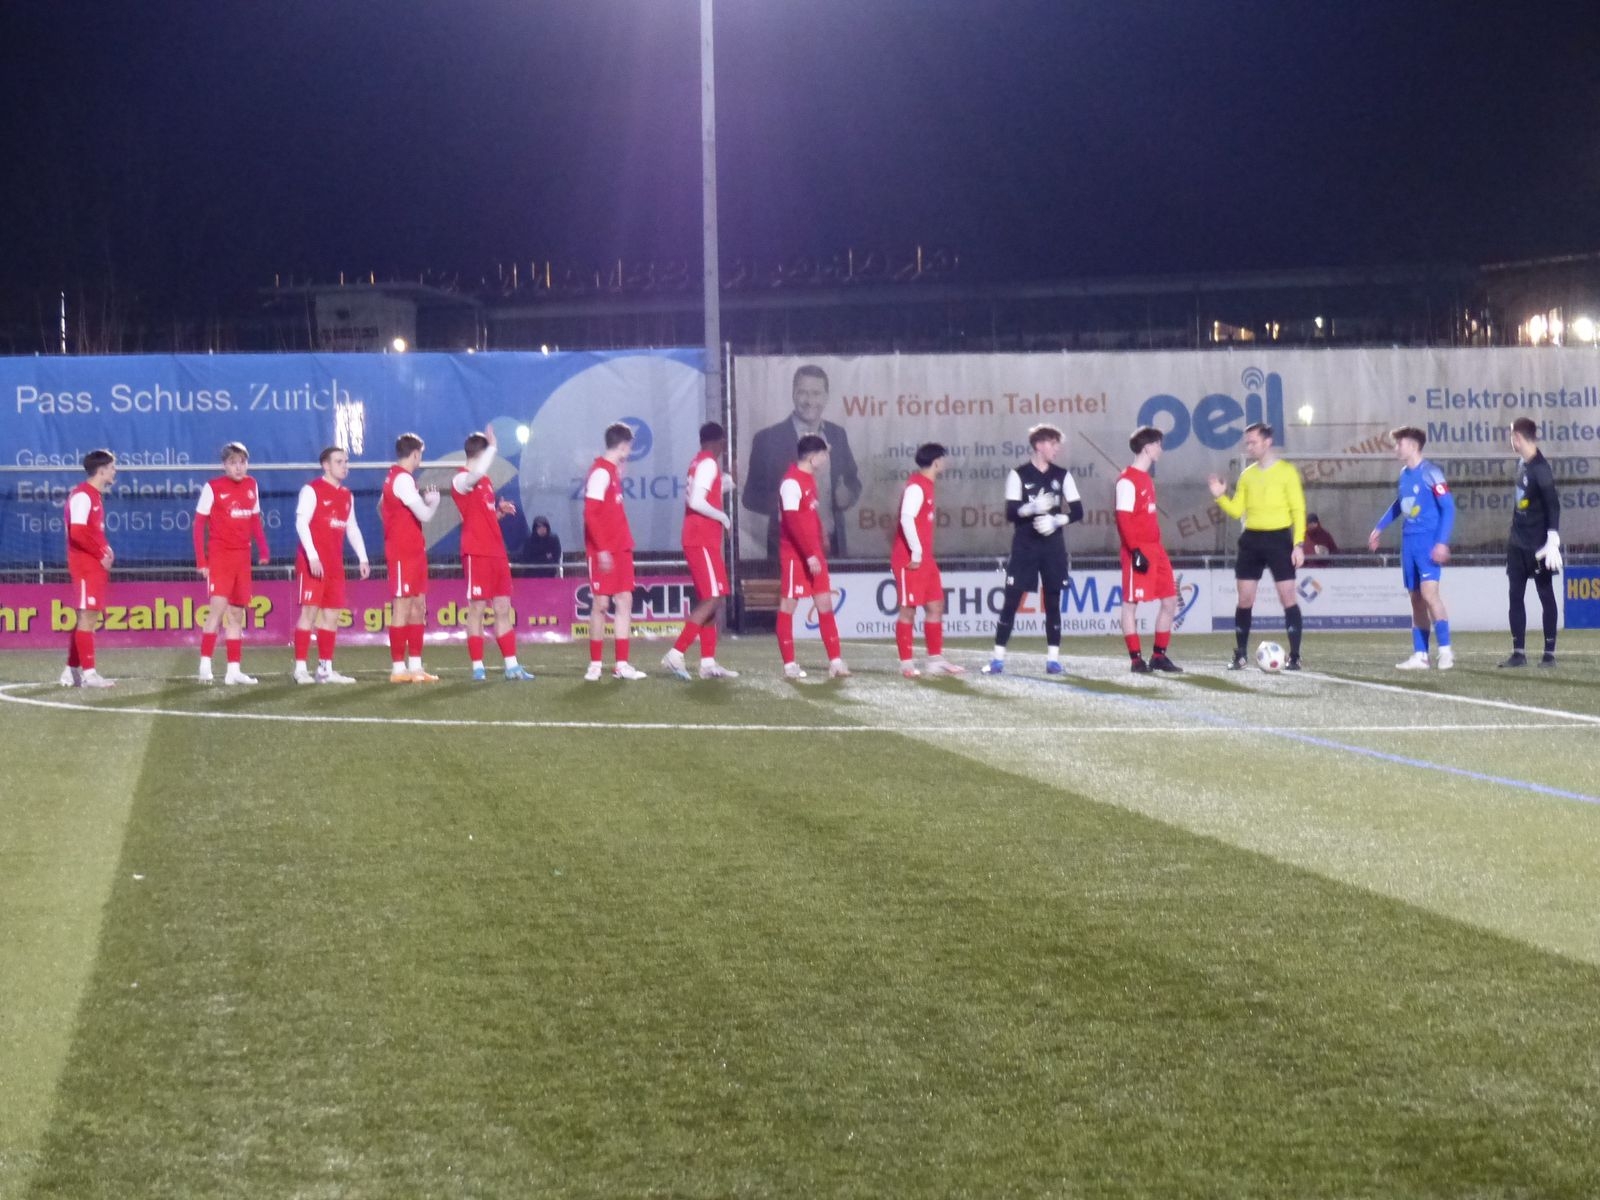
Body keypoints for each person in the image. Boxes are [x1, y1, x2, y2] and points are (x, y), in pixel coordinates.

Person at [982, 424, 1084, 676]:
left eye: (1058, 444)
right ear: (1039, 445)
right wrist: (1031, 508)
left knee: (1053, 601)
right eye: (1052, 443)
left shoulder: (1062, 475)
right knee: (1012, 600)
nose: (1057, 448)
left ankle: (1053, 660)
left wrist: (1057, 520)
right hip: (1025, 546)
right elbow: (1010, 512)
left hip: (1053, 547)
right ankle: (997, 658)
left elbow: (1078, 511)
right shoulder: (1018, 475)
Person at [1208, 422, 1308, 671]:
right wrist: (1220, 496)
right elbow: (1237, 511)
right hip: (1251, 540)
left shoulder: (1286, 472)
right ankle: (1240, 654)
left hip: (1279, 539)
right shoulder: (1247, 475)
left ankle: (1295, 656)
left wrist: (1298, 544)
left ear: (1267, 441)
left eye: (1253, 442)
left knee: (1287, 597)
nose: (1249, 447)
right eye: (1247, 443)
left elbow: (1298, 510)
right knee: (1245, 598)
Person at [743, 364, 861, 557]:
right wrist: (789, 505)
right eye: (803, 393)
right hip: (788, 546)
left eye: (816, 393)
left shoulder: (837, 435)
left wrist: (846, 495)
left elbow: (853, 481)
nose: (809, 401)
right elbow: (750, 497)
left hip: (831, 546)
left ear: (826, 397)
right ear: (793, 394)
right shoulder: (767, 439)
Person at [1367, 427, 1455, 671]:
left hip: (1428, 543)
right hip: (1409, 543)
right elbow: (1400, 503)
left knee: (1429, 595)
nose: (1396, 448)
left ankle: (1446, 651)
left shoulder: (1432, 473)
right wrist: (1380, 527)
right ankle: (1421, 655)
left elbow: (1448, 507)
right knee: (1415, 599)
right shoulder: (1404, 474)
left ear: (1414, 446)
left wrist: (1441, 542)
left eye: (1400, 443)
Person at [451, 426, 534, 682]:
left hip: (497, 552)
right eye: (489, 455)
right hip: (476, 553)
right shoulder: (461, 480)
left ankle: (512, 665)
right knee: (477, 608)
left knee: (502, 607)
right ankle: (478, 666)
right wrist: (494, 446)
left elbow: (482, 517)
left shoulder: (485, 482)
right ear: (481, 454)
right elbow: (474, 476)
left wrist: (498, 512)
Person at [663, 421, 739, 681]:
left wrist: (730, 481)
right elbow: (696, 501)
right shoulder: (708, 464)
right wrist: (723, 517)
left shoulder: (699, 462)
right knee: (714, 597)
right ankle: (676, 652)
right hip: (701, 538)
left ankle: (707, 663)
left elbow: (708, 491)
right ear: (720, 442)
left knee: (710, 598)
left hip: (699, 538)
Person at [291, 446, 371, 684]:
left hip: (335, 565)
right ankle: (300, 669)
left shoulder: (347, 495)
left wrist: (363, 557)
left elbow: (352, 527)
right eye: (339, 461)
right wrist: (312, 556)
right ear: (326, 465)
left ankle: (325, 669)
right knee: (309, 612)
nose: (345, 466)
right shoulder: (311, 490)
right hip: (312, 563)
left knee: (332, 615)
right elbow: (301, 523)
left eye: (346, 461)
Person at [194, 441, 269, 685]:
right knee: (217, 610)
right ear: (224, 465)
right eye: (233, 463)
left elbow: (255, 519)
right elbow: (198, 525)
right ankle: (205, 664)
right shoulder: (213, 487)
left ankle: (233, 671)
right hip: (221, 557)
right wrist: (202, 560)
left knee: (237, 614)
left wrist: (263, 548)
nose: (238, 467)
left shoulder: (251, 485)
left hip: (242, 558)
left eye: (242, 462)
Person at [777, 434, 850, 679]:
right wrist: (808, 554)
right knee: (788, 606)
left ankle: (836, 662)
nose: (826, 458)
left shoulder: (809, 479)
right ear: (812, 456)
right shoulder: (791, 482)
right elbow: (791, 520)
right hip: (795, 555)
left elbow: (809, 515)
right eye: (823, 454)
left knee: (825, 604)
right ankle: (789, 665)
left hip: (813, 552)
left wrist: (821, 537)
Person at [892, 442, 964, 678]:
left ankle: (935, 660)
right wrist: (915, 551)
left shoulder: (928, 485)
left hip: (925, 558)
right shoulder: (916, 486)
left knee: (936, 606)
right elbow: (906, 518)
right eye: (943, 458)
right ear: (936, 462)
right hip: (910, 559)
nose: (946, 462)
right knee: (908, 610)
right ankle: (906, 664)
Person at [1116, 426, 1183, 674]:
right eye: (1158, 444)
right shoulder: (1127, 480)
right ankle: (1136, 660)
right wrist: (1135, 551)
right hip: (1138, 549)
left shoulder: (1146, 478)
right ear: (1147, 447)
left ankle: (1158, 656)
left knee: (1170, 600)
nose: (1161, 449)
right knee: (1131, 604)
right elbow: (1123, 519)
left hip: (1156, 549)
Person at [583, 422, 646, 681]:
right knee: (601, 604)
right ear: (623, 445)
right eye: (629, 445)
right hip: (604, 550)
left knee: (624, 601)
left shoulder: (611, 470)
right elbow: (590, 514)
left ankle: (621, 664)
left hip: (621, 547)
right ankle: (595, 664)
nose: (630, 450)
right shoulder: (601, 472)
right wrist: (601, 549)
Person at [380, 432, 443, 683]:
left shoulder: (397, 477)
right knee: (402, 606)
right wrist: (433, 502)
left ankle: (415, 666)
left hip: (414, 550)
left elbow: (385, 507)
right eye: (420, 455)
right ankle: (398, 668)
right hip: (402, 553)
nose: (420, 459)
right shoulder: (402, 479)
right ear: (415, 454)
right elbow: (425, 515)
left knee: (418, 606)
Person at [1500, 416, 1562, 668]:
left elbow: (1553, 505)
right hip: (1517, 544)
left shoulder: (1540, 469)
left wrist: (1553, 539)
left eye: (1511, 436)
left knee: (1545, 595)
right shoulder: (1522, 464)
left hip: (1538, 547)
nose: (1510, 441)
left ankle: (1549, 655)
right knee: (1515, 595)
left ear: (1517, 437)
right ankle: (1518, 653)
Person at [60, 448, 118, 689]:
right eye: (112, 467)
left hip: (92, 564)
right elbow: (77, 532)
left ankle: (71, 670)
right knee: (88, 616)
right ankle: (89, 674)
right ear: (101, 470)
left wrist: (106, 549)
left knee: (88, 615)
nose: (115, 471)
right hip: (85, 565)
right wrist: (100, 553)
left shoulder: (93, 495)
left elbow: (91, 532)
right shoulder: (83, 496)